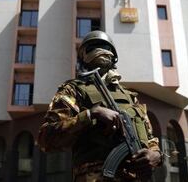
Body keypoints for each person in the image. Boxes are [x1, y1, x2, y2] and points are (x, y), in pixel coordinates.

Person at [37, 30, 163, 182]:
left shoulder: (130, 96)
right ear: (84, 56)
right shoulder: (73, 89)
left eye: (106, 47)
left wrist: (156, 155)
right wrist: (91, 114)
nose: (101, 51)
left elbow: (150, 139)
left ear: (114, 56)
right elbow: (46, 138)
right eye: (93, 47)